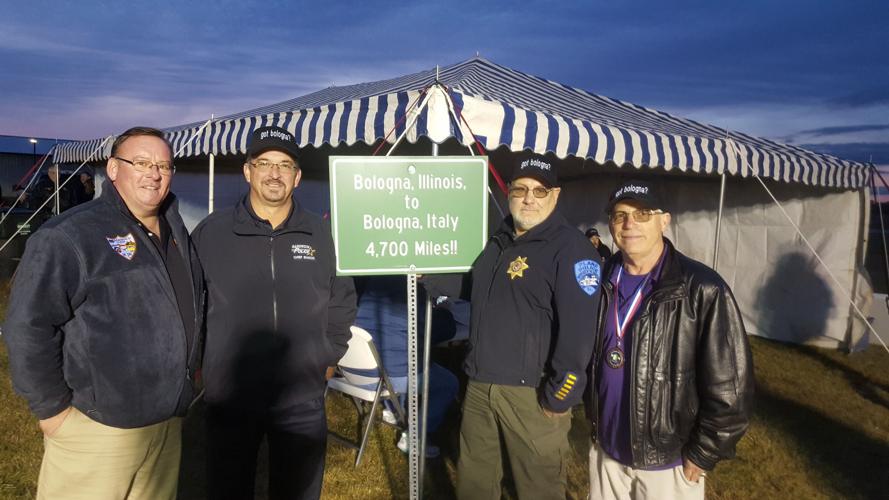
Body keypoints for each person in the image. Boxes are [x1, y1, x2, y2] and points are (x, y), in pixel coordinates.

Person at [2, 127, 204, 499]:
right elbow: (28, 326)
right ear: (112, 169)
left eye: (163, 164)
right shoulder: (70, 234)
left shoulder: (175, 229)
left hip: (165, 423)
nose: (154, 173)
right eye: (141, 162)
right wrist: (53, 412)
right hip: (98, 427)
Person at [192, 126, 356, 500]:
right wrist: (201, 364)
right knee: (228, 489)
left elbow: (342, 299)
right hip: (232, 394)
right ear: (247, 171)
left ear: (297, 177)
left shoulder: (321, 233)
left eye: (284, 165)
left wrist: (328, 357)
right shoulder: (212, 232)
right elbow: (193, 303)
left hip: (301, 395)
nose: (274, 173)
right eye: (264, 163)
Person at [426, 153, 602, 499]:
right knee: (475, 484)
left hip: (530, 396)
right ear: (508, 193)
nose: (528, 199)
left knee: (537, 489)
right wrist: (427, 275)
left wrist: (558, 397)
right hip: (479, 385)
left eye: (539, 191)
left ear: (555, 195)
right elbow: (475, 286)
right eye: (521, 189)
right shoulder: (500, 238)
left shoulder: (571, 250)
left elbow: (579, 336)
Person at [587, 179, 754, 500]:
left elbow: (732, 386)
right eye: (620, 215)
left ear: (665, 220)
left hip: (668, 460)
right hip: (606, 449)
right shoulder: (601, 278)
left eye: (642, 214)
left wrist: (704, 452)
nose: (629, 224)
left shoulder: (703, 288)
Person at [354, 275, 459, 458]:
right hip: (390, 377)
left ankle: (391, 409)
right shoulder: (413, 293)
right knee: (449, 383)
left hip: (359, 373)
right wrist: (445, 309)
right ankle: (414, 437)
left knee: (395, 353)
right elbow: (443, 329)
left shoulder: (370, 285)